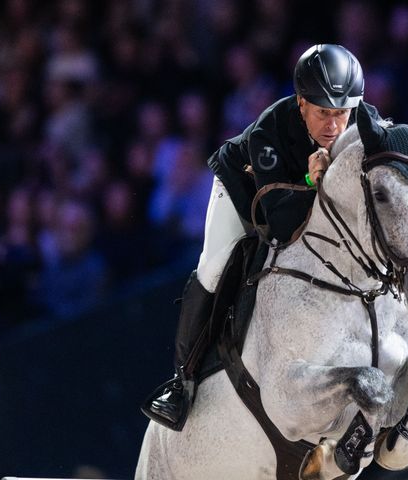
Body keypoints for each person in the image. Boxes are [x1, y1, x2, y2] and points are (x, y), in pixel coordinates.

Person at [141, 44, 379, 431]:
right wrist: (311, 180)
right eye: (323, 113)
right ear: (301, 103)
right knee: (214, 267)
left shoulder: (362, 123)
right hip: (245, 190)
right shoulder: (271, 129)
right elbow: (281, 224)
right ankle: (181, 384)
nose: (334, 126)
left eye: (341, 113)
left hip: (299, 195)